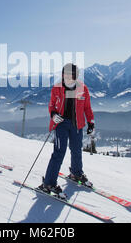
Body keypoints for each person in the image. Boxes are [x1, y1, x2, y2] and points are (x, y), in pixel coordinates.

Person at [39, 63, 95, 197]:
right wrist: (53, 114)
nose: (69, 77)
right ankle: (49, 183)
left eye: (72, 75)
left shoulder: (82, 88)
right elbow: (52, 105)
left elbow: (87, 107)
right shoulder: (57, 88)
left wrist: (90, 123)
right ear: (63, 75)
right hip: (61, 124)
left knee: (76, 149)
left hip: (77, 124)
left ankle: (76, 173)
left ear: (76, 76)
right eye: (66, 75)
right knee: (59, 152)